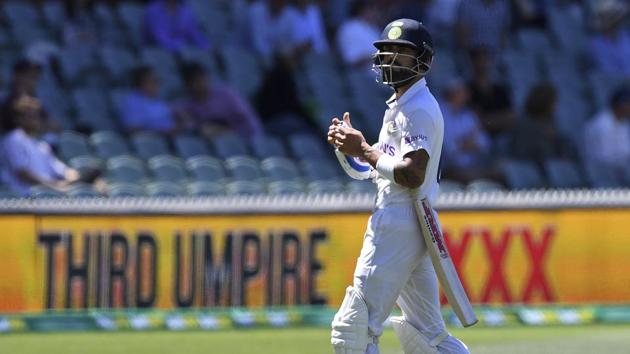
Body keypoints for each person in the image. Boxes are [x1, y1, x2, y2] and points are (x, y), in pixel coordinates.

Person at [327, 19, 469, 354]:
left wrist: (362, 148)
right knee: (428, 336)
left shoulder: (417, 109)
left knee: (354, 329)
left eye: (401, 52)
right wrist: (352, 149)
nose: (391, 58)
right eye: (387, 51)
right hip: (412, 223)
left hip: (397, 222)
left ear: (424, 61)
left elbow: (412, 173)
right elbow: (384, 168)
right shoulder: (403, 105)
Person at [1, 96, 82, 196]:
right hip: (24, 198)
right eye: (31, 116)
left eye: (37, 116)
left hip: (48, 194)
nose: (36, 120)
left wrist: (74, 177)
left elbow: (60, 169)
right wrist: (54, 186)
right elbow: (23, 173)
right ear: (18, 119)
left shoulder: (42, 144)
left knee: (92, 180)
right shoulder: (13, 139)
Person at [174, 62, 264, 140]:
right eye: (195, 82)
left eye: (202, 79)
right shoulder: (186, 104)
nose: (200, 84)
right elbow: (189, 124)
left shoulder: (226, 95)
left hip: (242, 135)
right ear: (187, 85)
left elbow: (247, 121)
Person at [441, 78, 498, 184]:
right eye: (463, 92)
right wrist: (468, 144)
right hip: (448, 169)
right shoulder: (441, 113)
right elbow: (449, 150)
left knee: (498, 173)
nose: (467, 95)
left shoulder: (468, 114)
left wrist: (465, 144)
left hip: (472, 166)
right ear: (453, 93)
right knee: (479, 179)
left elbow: (485, 143)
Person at [509, 82, 577, 170]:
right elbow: (527, 154)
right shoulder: (525, 125)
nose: (555, 107)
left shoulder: (549, 123)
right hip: (534, 168)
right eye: (554, 102)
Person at [583, 85, 630, 184]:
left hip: (619, 171)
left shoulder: (623, 123)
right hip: (600, 175)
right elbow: (603, 158)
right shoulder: (602, 125)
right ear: (621, 105)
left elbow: (626, 150)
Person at [118, 66, 181, 134]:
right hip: (153, 142)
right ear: (141, 82)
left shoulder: (159, 101)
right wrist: (163, 132)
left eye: (157, 80)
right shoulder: (132, 103)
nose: (158, 84)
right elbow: (133, 131)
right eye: (154, 81)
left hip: (173, 139)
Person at [144, 0, 209, 52]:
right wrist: (182, 46)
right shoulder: (153, 10)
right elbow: (160, 38)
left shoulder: (185, 10)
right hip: (159, 51)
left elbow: (194, 32)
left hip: (182, 49)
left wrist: (206, 46)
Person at [336, 0, 381, 71]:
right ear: (362, 10)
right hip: (364, 76)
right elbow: (351, 62)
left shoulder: (373, 27)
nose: (376, 12)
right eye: (373, 9)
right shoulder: (349, 28)